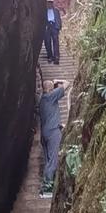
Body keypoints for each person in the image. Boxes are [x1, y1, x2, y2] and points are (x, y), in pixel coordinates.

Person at [38, 67, 67, 199]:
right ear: (50, 88)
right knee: (53, 160)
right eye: (53, 86)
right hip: (53, 132)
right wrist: (58, 80)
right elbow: (67, 84)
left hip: (44, 133)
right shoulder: (50, 96)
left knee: (48, 160)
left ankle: (45, 189)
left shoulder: (42, 99)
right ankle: (47, 190)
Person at [43, 0, 61, 64]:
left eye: (51, 3)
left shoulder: (56, 10)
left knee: (55, 41)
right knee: (47, 42)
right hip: (47, 26)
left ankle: (56, 57)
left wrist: (58, 28)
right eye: (48, 3)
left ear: (52, 3)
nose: (49, 4)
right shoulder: (44, 11)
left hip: (54, 26)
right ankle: (50, 56)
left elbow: (58, 19)